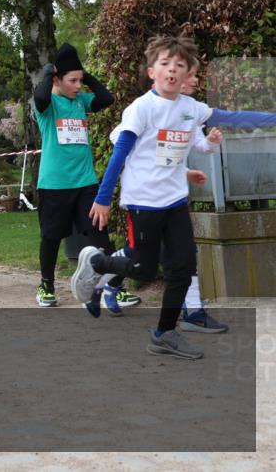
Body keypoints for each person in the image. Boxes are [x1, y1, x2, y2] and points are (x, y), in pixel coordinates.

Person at [75, 35, 276, 359]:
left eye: (179, 65)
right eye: (165, 63)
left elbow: (233, 118)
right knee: (142, 268)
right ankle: (97, 262)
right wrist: (102, 197)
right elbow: (121, 153)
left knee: (183, 267)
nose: (172, 69)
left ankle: (164, 333)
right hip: (143, 203)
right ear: (152, 72)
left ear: (187, 75)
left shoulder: (191, 109)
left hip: (175, 202)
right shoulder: (142, 109)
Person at [30, 43, 116, 307]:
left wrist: (86, 76)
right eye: (73, 81)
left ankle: (113, 287)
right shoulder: (47, 105)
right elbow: (41, 96)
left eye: (81, 80)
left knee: (99, 233)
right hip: (54, 184)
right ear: (57, 79)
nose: (78, 86)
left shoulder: (81, 101)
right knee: (51, 237)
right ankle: (46, 285)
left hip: (85, 183)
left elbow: (106, 99)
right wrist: (49, 73)